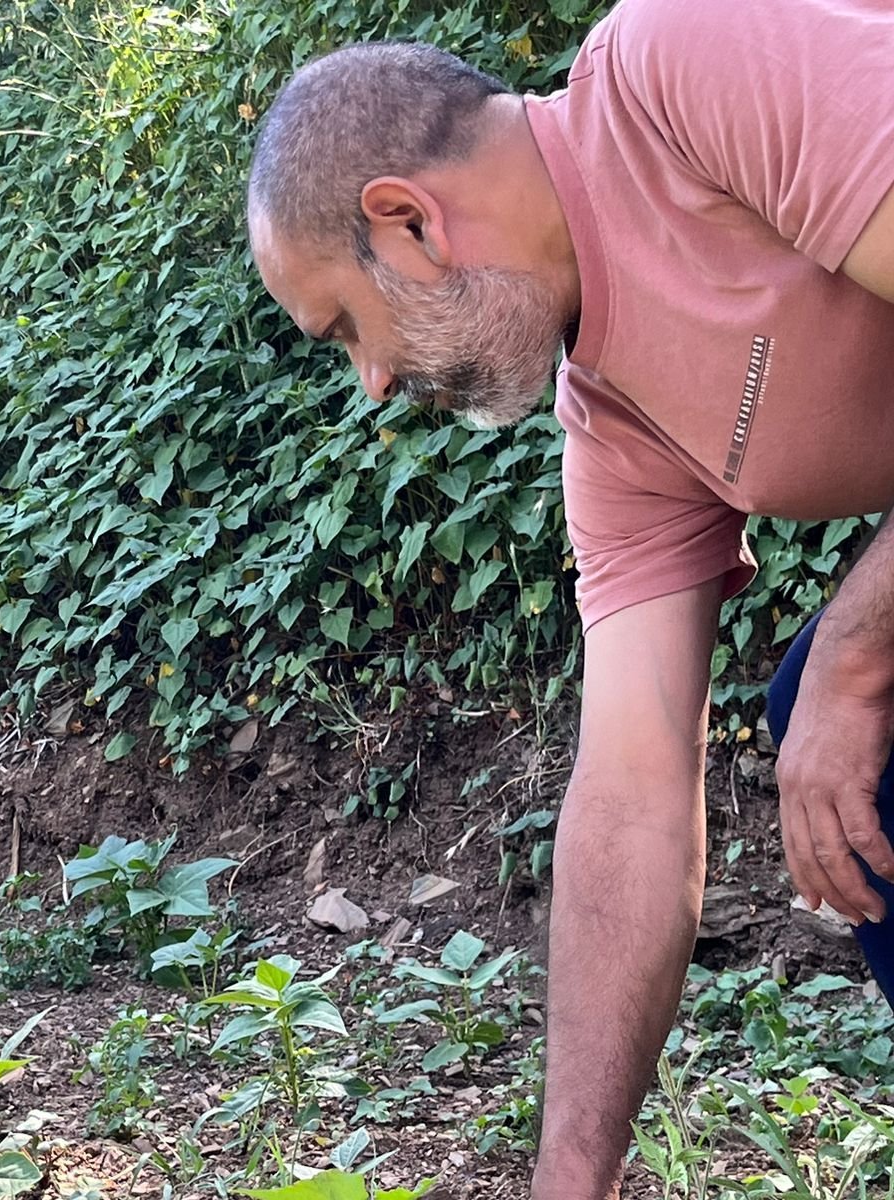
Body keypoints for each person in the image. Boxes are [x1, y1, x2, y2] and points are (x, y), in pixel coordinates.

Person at [243, 0, 894, 1196]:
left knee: (846, 690)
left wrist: (858, 660)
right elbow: (633, 801)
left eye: (343, 328)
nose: (372, 382)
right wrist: (570, 1178)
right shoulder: (616, 428)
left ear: (406, 220)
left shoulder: (683, 63)